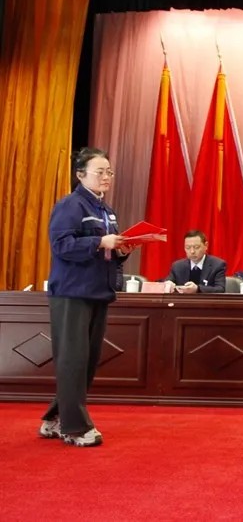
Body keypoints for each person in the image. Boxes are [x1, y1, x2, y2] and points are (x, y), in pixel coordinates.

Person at [41, 147, 135, 447]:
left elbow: (105, 251)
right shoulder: (70, 205)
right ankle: (75, 428)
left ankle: (55, 418)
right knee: (73, 360)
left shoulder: (106, 210)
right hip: (72, 292)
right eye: (100, 172)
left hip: (98, 291)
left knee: (87, 361)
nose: (107, 177)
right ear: (80, 175)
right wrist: (99, 241)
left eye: (110, 172)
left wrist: (120, 250)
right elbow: (61, 245)